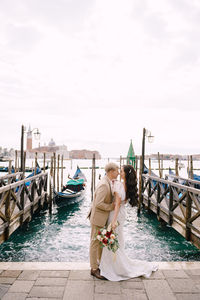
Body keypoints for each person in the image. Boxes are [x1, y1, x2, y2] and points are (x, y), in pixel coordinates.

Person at [99, 165, 158, 281]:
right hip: (122, 214)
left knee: (112, 239)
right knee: (118, 239)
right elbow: (122, 202)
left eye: (121, 171)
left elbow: (116, 205)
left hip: (115, 215)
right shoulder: (125, 186)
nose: (119, 173)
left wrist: (113, 221)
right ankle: (114, 265)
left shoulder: (119, 185)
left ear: (125, 174)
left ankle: (114, 267)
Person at [88, 162, 119, 280]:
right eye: (116, 171)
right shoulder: (104, 185)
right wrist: (111, 206)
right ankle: (94, 269)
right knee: (95, 243)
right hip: (98, 218)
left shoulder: (108, 182)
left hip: (102, 218)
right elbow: (98, 203)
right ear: (111, 172)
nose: (117, 173)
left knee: (100, 243)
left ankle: (99, 264)